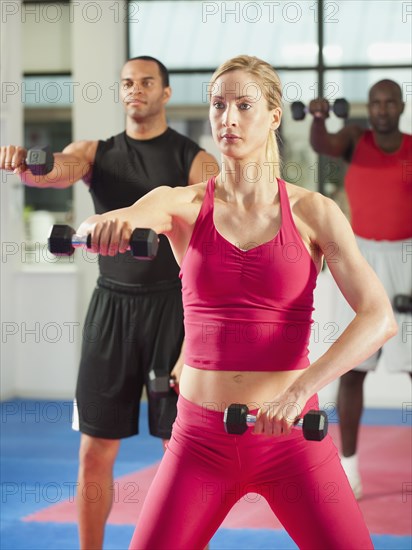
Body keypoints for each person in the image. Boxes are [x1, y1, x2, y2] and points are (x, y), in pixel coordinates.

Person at [74, 55, 398, 550]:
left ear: (271, 116)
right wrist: (101, 228)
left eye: (244, 105)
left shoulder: (314, 212)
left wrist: (299, 392)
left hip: (292, 439)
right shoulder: (182, 205)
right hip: (199, 443)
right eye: (218, 105)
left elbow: (379, 317)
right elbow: (117, 219)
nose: (227, 118)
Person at [0, 56, 219, 549]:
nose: (135, 90)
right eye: (127, 83)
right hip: (111, 311)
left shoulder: (195, 160)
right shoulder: (95, 152)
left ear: (165, 93)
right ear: (119, 93)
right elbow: (57, 171)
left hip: (175, 313)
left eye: (146, 82)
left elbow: (214, 233)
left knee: (177, 450)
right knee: (94, 450)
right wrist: (27, 165)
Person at [308, 80, 412, 499]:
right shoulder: (355, 140)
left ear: (401, 106)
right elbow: (323, 144)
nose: (383, 108)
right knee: (352, 370)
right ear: (368, 107)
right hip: (362, 259)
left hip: (407, 257)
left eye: (390, 102)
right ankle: (349, 469)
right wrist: (317, 116)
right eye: (376, 102)